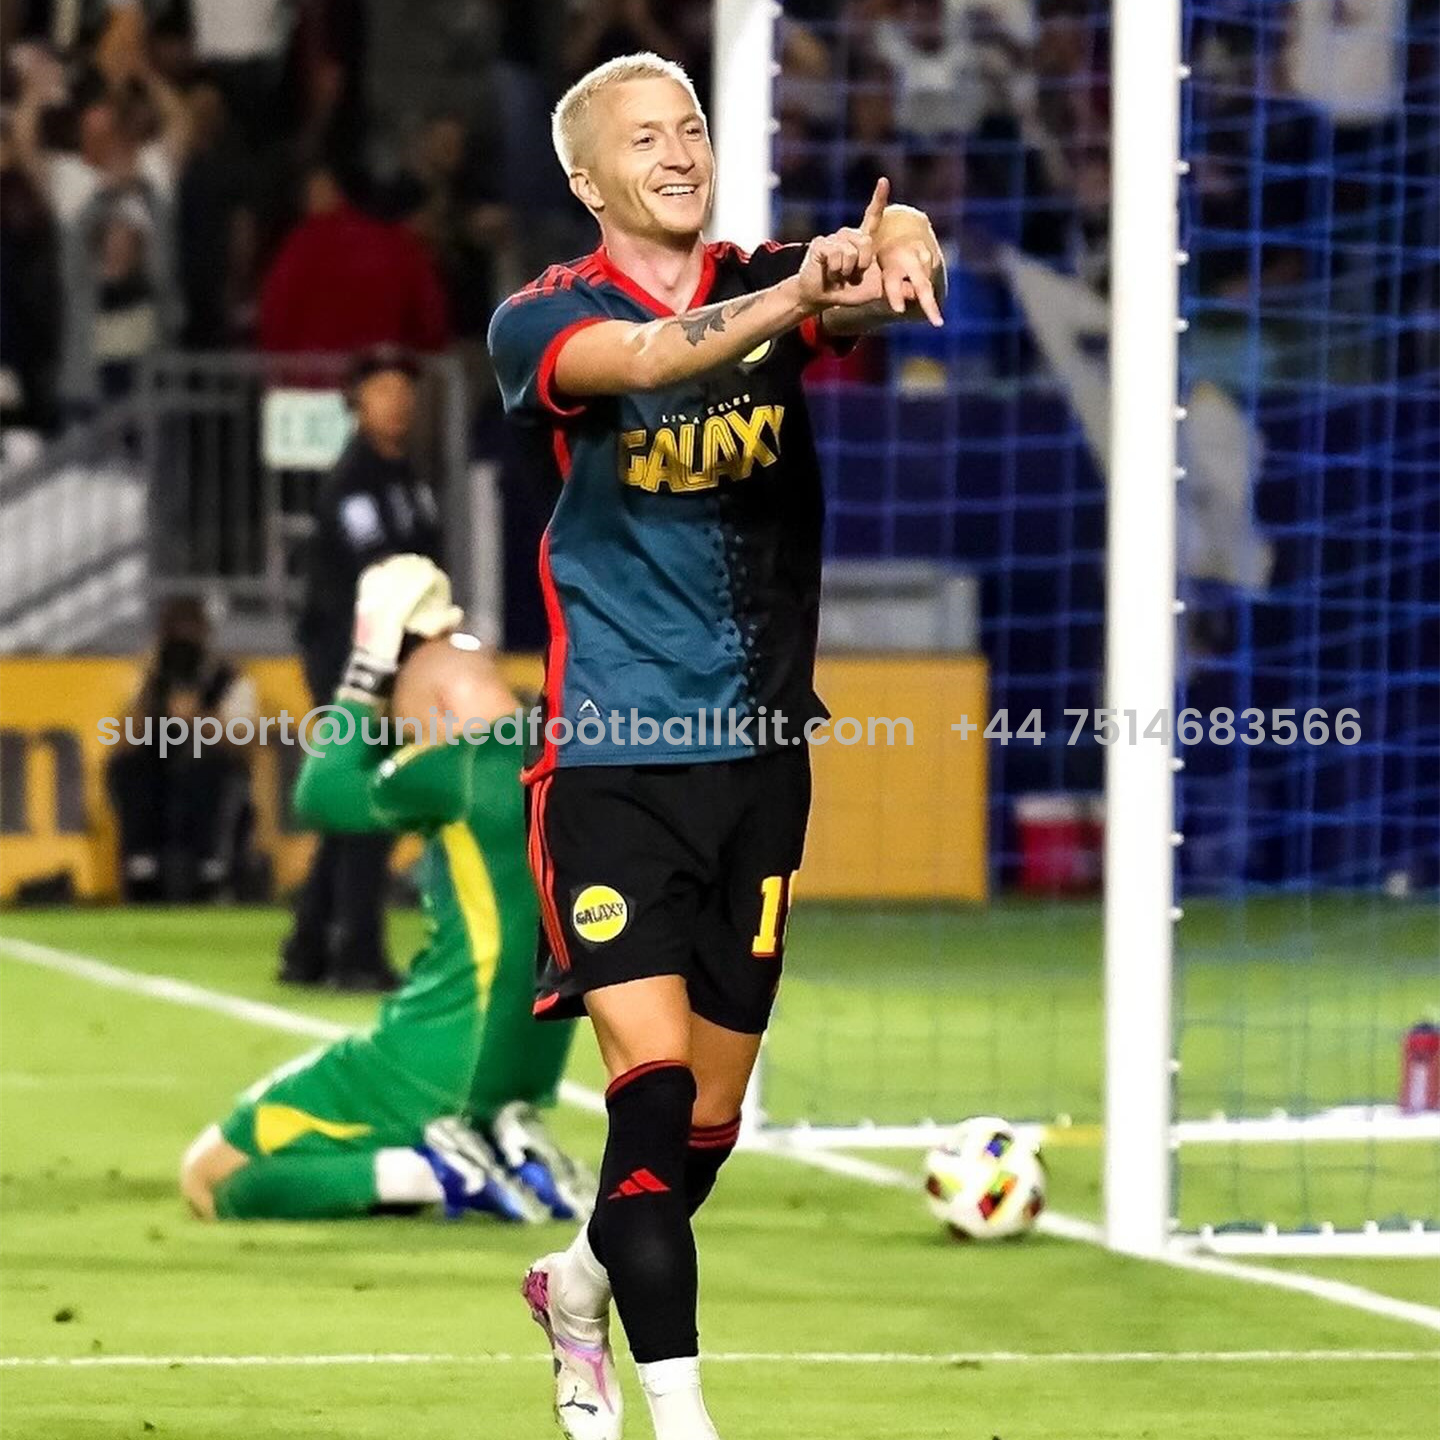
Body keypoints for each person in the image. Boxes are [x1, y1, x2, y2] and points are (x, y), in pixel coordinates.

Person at [486, 51, 944, 1440]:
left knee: (706, 1130)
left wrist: (896, 243)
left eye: (688, 124)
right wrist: (807, 291)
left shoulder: (768, 275)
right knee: (651, 1096)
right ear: (586, 178)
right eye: (645, 136)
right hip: (612, 763)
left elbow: (858, 289)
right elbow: (644, 358)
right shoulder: (540, 319)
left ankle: (576, 1287)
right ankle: (681, 1419)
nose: (678, 149)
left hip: (761, 765)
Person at [180, 555, 590, 1223]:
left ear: (434, 704)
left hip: (440, 1055)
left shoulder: (451, 769)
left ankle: (432, 1173)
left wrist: (365, 676)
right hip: (532, 1061)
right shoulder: (564, 752)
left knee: (212, 1175)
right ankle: (506, 1151)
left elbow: (321, 792)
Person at [280, 345, 443, 991]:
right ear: (356, 402)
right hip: (351, 660)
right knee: (369, 801)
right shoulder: (353, 482)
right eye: (382, 389)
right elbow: (388, 574)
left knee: (357, 798)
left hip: (385, 656)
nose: (397, 401)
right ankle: (355, 954)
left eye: (404, 389)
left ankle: (309, 946)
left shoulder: (406, 476)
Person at [105, 595, 258, 903]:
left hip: (209, 774)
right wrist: (149, 697)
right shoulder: (149, 679)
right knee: (129, 770)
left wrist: (198, 718)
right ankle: (142, 866)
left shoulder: (230, 680)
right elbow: (121, 743)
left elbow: (244, 744)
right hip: (158, 775)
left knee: (210, 772)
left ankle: (211, 870)